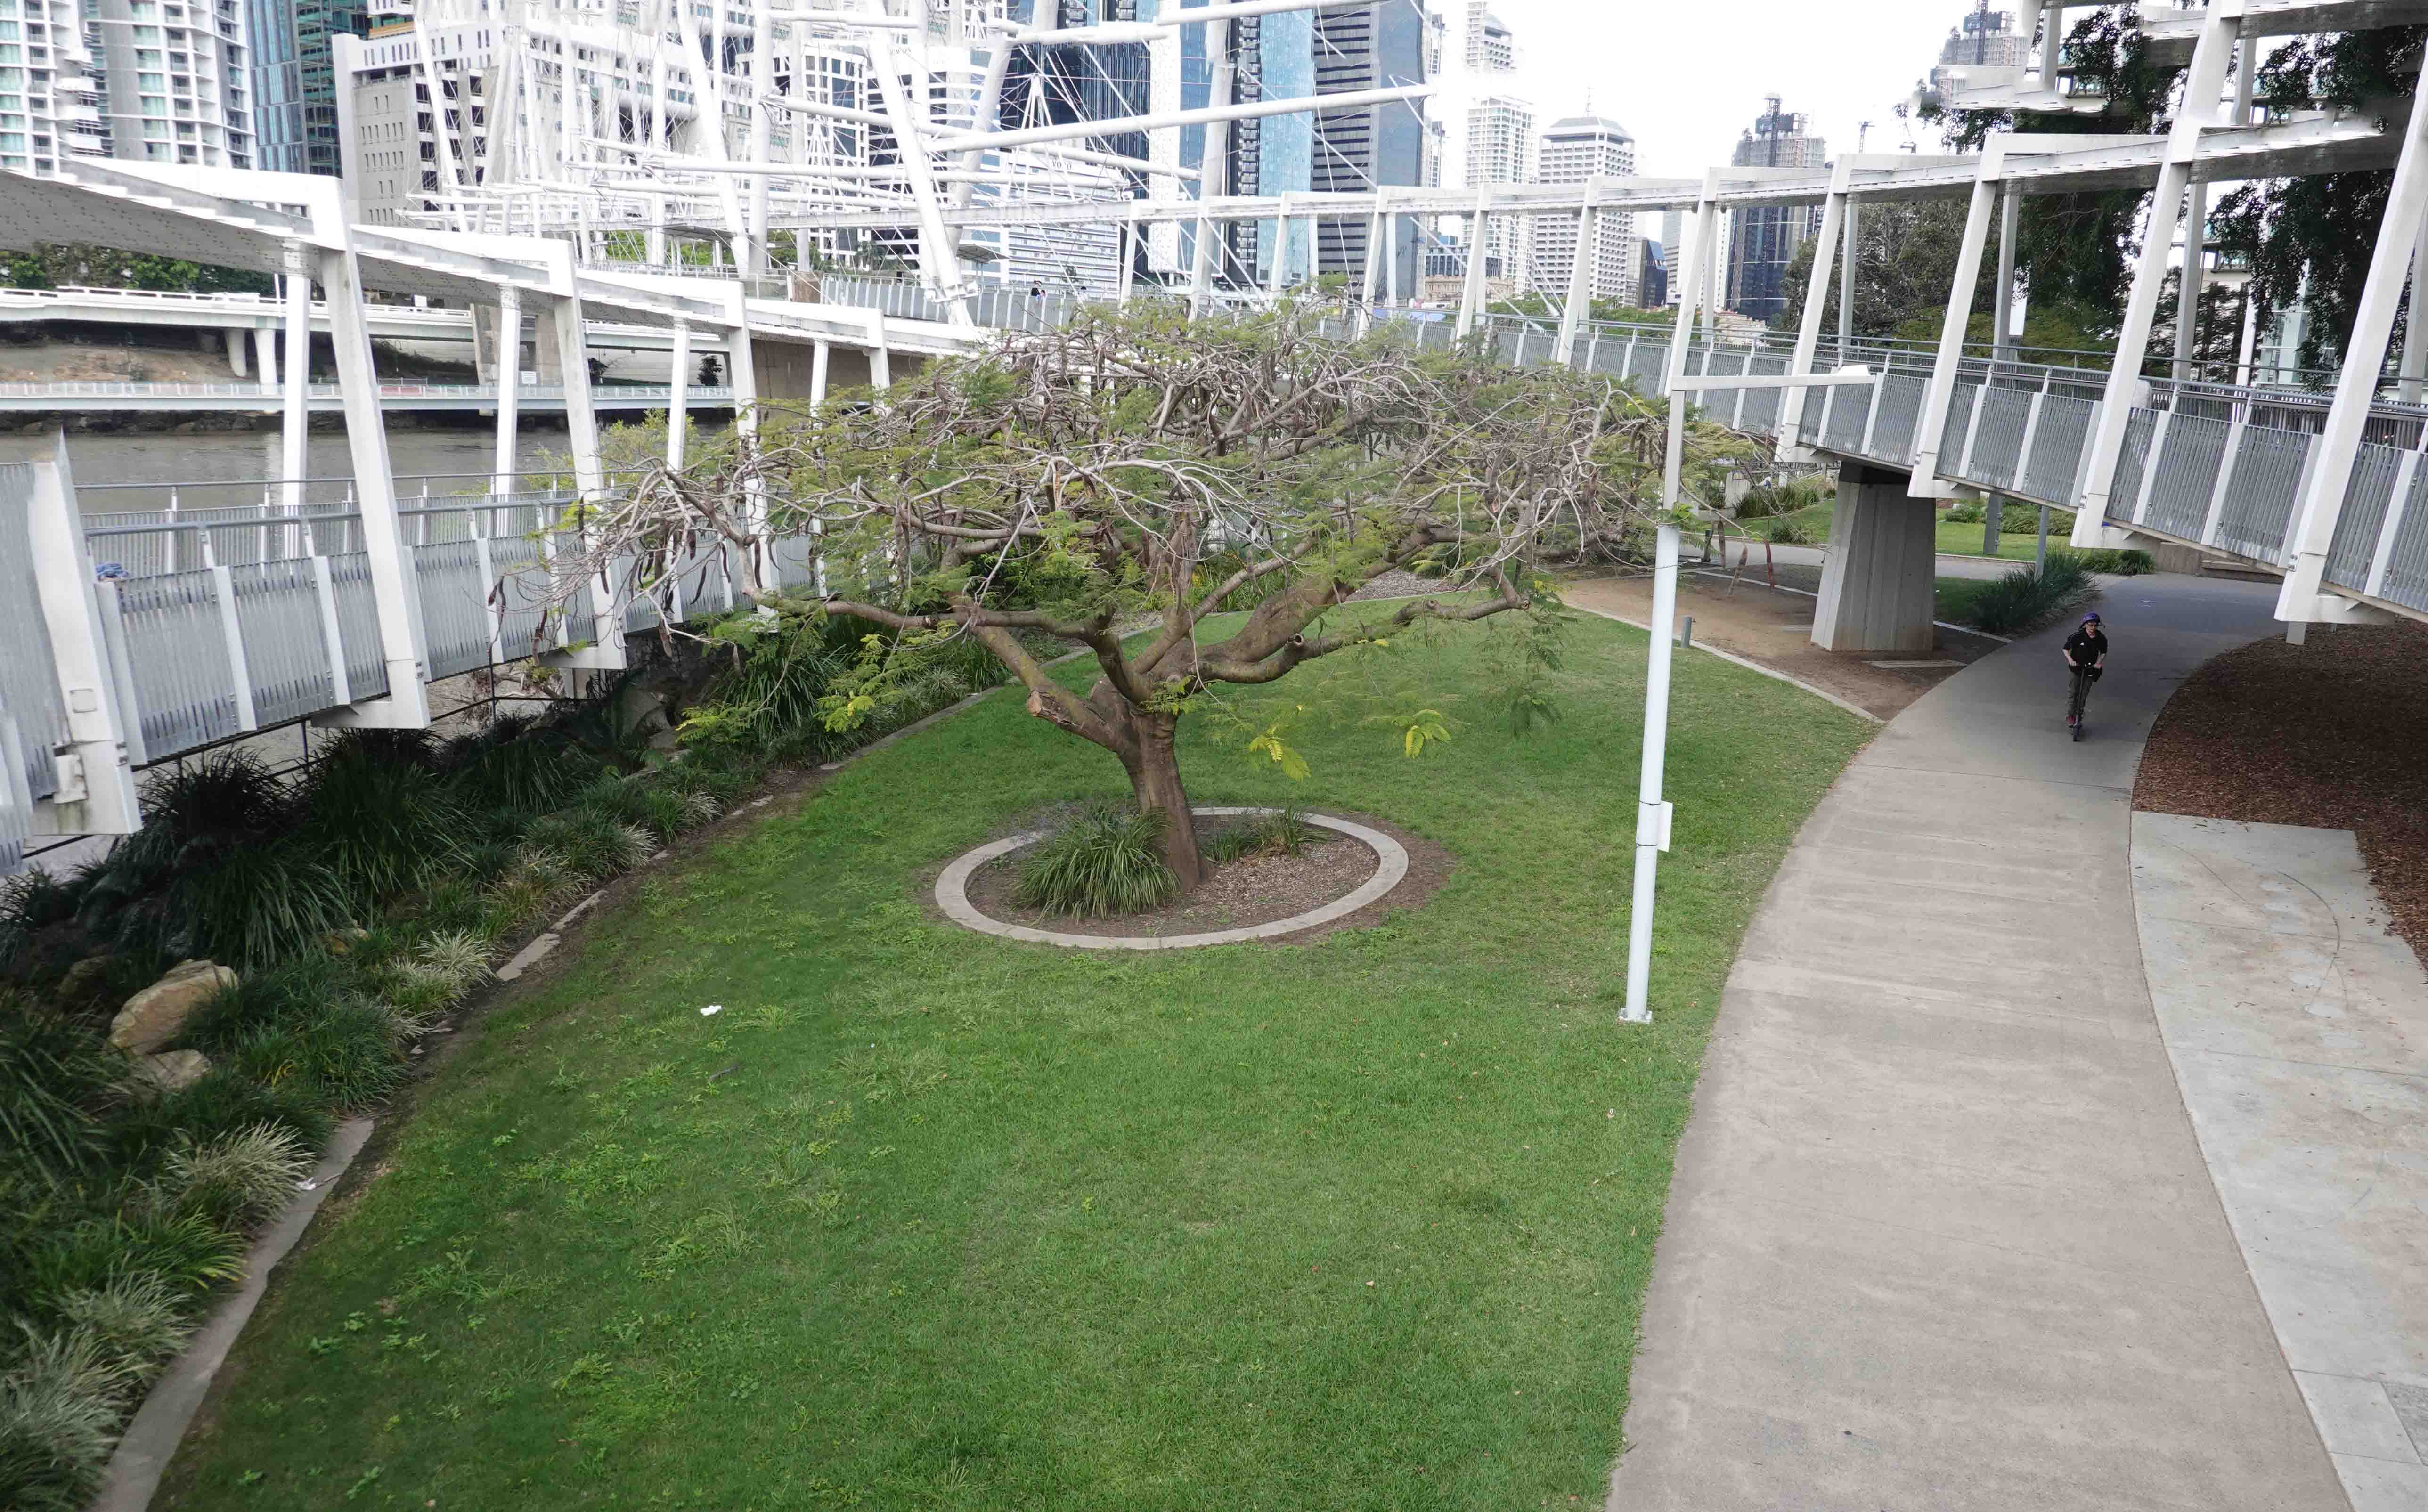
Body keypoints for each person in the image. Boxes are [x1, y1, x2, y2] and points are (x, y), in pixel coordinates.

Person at [2061, 611, 2108, 732]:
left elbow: (2103, 652)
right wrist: (2071, 660)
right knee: (2073, 693)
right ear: (2085, 625)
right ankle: (2071, 716)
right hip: (2076, 668)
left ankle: (2079, 716)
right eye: (2090, 625)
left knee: (2084, 695)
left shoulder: (2101, 638)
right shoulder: (2077, 636)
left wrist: (2099, 662)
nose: (2093, 628)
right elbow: (2066, 649)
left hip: (2090, 669)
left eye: (2095, 625)